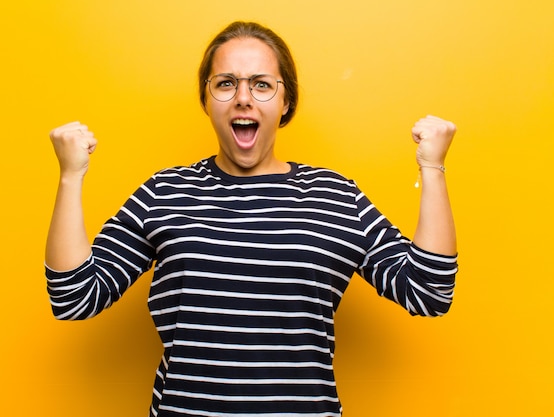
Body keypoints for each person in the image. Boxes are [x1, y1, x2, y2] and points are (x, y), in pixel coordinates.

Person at [46, 21, 457, 417]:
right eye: (226, 83)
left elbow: (428, 290)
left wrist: (432, 168)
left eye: (262, 84)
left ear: (286, 101)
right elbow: (74, 297)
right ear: (207, 101)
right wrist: (70, 175)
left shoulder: (335, 196)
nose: (243, 97)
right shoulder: (164, 192)